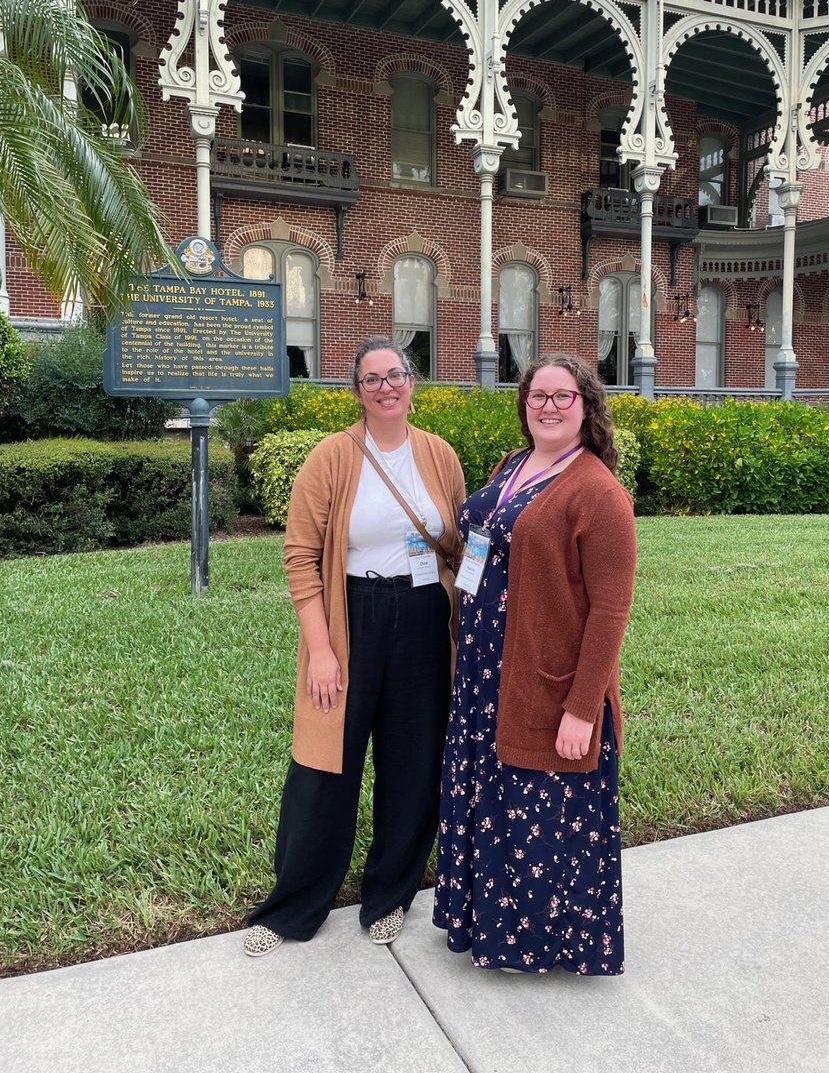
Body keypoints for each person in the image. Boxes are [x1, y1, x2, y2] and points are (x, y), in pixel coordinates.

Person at [244, 337, 465, 955]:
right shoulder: (331, 458)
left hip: (423, 616)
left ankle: (389, 895)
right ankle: (293, 908)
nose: (386, 386)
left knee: (413, 762)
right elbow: (300, 558)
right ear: (357, 392)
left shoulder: (439, 455)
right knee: (324, 766)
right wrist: (320, 650)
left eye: (396, 375)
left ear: (412, 383)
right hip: (352, 616)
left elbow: (457, 543)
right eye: (372, 379)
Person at [434, 353, 637, 974]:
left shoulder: (599, 491)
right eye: (538, 395)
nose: (548, 405)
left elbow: (609, 613)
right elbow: (482, 541)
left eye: (563, 396)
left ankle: (543, 944)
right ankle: (484, 929)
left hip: (546, 683)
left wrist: (582, 709)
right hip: (484, 675)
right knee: (491, 803)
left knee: (545, 816)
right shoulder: (514, 465)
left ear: (586, 405)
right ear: (525, 404)